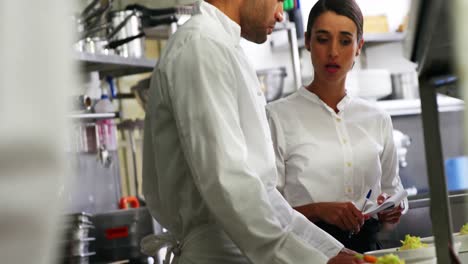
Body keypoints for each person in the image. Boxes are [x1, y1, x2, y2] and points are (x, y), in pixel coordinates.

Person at [141, 0, 365, 263]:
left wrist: (329, 250)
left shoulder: (225, 47)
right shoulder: (201, 46)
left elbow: (264, 194)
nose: (281, 14)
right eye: (279, 0)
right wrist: (314, 261)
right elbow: (227, 182)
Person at [266, 0, 408, 253]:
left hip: (370, 252)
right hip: (305, 254)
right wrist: (319, 210)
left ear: (358, 47)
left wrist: (392, 209)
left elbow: (392, 189)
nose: (333, 51)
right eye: (323, 39)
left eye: (345, 41)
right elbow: (264, 208)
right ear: (308, 41)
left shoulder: (377, 118)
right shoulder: (277, 117)